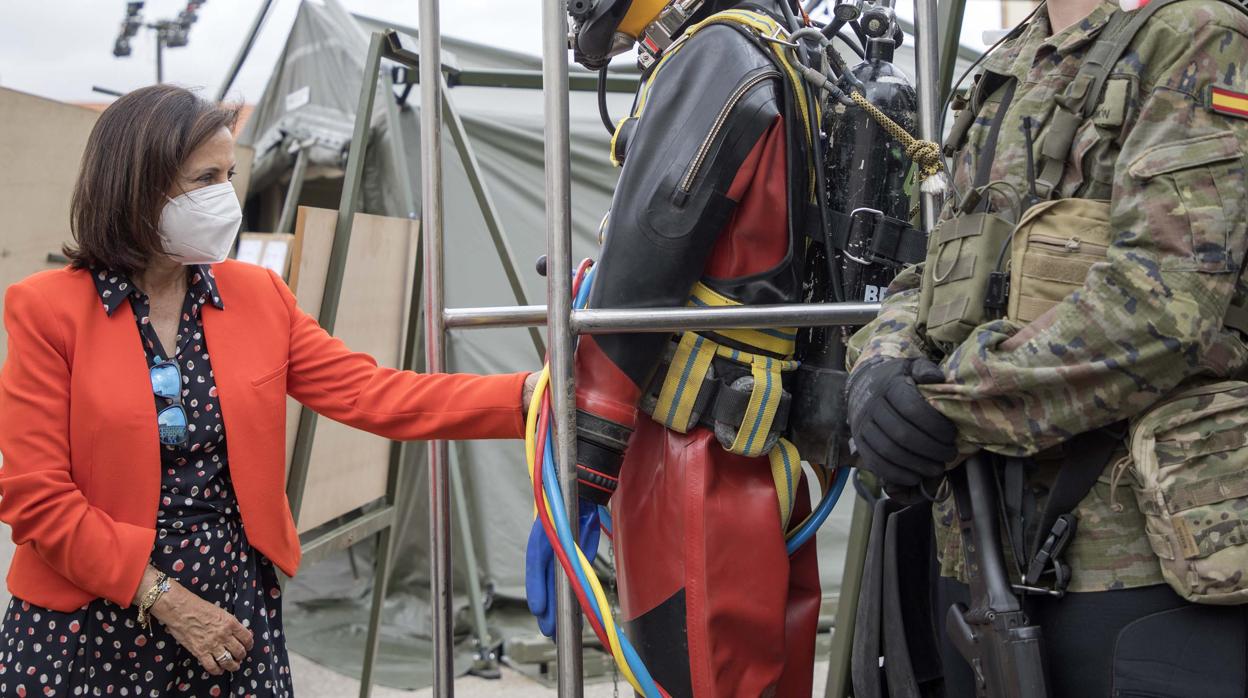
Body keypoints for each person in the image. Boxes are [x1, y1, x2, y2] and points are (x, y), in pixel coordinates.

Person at [0, 84, 535, 698]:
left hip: (233, 611)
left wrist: (524, 397)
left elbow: (374, 394)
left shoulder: (257, 296)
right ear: (137, 185)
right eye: (206, 179)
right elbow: (38, 499)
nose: (226, 197)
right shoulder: (48, 310)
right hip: (91, 623)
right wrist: (167, 600)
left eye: (229, 175)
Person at [846, 0, 1248, 694]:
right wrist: (878, 368)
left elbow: (1161, 303)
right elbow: (938, 269)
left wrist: (942, 408)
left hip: (1140, 571)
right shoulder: (1014, 59)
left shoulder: (1199, 35)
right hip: (982, 558)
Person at [528, 0, 826, 695]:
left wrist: (577, 477)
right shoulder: (786, 50)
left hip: (691, 468)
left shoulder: (715, 57)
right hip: (760, 461)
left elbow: (635, 290)